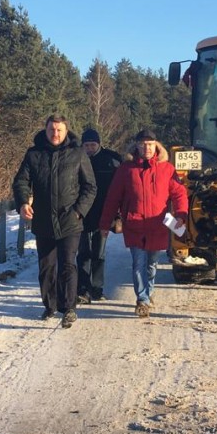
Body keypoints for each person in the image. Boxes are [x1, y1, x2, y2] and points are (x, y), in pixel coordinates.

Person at [12, 114, 97, 328]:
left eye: (59, 130)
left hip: (70, 220)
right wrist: (23, 202)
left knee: (68, 265)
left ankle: (69, 308)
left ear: (66, 131)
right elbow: (21, 181)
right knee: (46, 266)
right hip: (43, 220)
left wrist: (79, 211)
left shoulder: (77, 154)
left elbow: (90, 187)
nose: (55, 134)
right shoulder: (34, 154)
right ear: (46, 130)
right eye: (52, 130)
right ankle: (50, 305)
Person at [99, 128, 188, 318]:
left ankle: (148, 291)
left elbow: (179, 193)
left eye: (150, 144)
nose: (146, 147)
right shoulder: (126, 169)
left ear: (156, 145)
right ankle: (142, 300)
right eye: (142, 144)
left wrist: (180, 216)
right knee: (138, 263)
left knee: (152, 264)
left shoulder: (167, 168)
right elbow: (113, 198)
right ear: (136, 146)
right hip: (135, 224)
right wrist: (105, 224)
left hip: (158, 225)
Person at [76, 128, 122, 304]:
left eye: (92, 144)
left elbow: (119, 189)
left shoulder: (112, 160)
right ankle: (83, 289)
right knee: (83, 253)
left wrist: (117, 215)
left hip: (103, 215)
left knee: (99, 254)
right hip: (82, 214)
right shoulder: (76, 159)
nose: (89, 148)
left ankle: (97, 289)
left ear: (99, 143)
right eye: (86, 145)